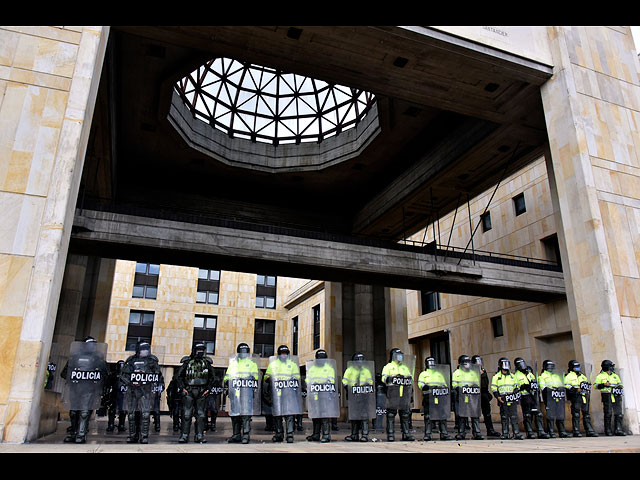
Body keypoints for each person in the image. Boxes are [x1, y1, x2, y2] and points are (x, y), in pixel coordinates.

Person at [61, 337, 108, 443]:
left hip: (89, 390)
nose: (92, 347)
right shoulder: (75, 358)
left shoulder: (98, 359)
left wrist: (97, 383)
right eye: (90, 344)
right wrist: (74, 378)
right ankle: (73, 432)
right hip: (75, 389)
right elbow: (64, 373)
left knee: (84, 412)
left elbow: (104, 375)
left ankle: (81, 434)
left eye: (94, 345)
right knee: (73, 412)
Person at [120, 341, 162, 444]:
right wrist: (130, 382)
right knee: (132, 415)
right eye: (143, 349)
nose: (145, 351)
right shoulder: (131, 361)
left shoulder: (152, 361)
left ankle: (144, 436)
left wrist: (153, 383)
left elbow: (158, 375)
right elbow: (124, 375)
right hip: (133, 390)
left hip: (146, 390)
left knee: (145, 414)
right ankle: (133, 435)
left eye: (146, 349)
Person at [176, 342, 216, 443]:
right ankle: (184, 435)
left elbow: (212, 377)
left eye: (202, 350)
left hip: (202, 391)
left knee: (201, 414)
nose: (200, 352)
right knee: (186, 414)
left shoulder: (206, 362)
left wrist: (208, 388)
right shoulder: (187, 362)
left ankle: (199, 435)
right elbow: (179, 376)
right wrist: (182, 388)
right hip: (189, 390)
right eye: (198, 350)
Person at [264, 345, 302, 443]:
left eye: (285, 353)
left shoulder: (292, 364)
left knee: (289, 414)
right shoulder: (273, 364)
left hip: (288, 393)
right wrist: (268, 379)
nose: (284, 355)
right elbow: (266, 376)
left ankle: (290, 435)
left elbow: (297, 377)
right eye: (282, 353)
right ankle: (279, 434)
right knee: (277, 415)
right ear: (279, 354)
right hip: (277, 393)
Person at [224, 342, 260, 444]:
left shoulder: (252, 364)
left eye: (245, 352)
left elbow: (255, 377)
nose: (243, 354)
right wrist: (227, 380)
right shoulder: (233, 364)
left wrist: (248, 378)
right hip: (235, 392)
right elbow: (227, 376)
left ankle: (246, 435)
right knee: (235, 414)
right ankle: (236, 435)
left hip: (246, 393)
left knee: (245, 415)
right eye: (242, 352)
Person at [381, 348, 415, 442]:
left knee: (405, 414)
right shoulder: (388, 366)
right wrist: (393, 377)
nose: (400, 357)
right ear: (393, 356)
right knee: (391, 414)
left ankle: (406, 434)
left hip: (404, 394)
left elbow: (410, 379)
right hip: (393, 394)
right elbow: (384, 378)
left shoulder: (404, 367)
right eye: (398, 355)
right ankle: (391, 434)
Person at [306, 349, 339, 443]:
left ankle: (326, 435)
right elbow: (308, 380)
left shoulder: (329, 368)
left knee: (324, 415)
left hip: (324, 394)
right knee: (315, 415)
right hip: (315, 394)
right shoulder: (312, 368)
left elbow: (331, 381)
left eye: (323, 359)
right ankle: (316, 434)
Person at [417, 356, 452, 441]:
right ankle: (428, 434)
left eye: (433, 362)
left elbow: (444, 385)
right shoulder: (423, 374)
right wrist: (426, 387)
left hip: (439, 397)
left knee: (442, 416)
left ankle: (444, 433)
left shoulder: (439, 374)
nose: (432, 364)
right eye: (430, 362)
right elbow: (420, 385)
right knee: (428, 416)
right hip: (429, 397)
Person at [342, 352, 375, 442]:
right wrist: (349, 387)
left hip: (364, 396)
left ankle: (365, 435)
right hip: (353, 396)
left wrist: (365, 385)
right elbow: (344, 381)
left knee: (364, 416)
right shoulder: (350, 370)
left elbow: (370, 382)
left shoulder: (366, 371)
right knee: (354, 416)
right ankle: (354, 435)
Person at [513, 358, 548, 439]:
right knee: (527, 415)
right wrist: (524, 386)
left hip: (534, 396)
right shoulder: (516, 375)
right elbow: (516, 387)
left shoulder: (529, 373)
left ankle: (540, 431)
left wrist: (534, 386)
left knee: (538, 414)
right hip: (525, 397)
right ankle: (529, 432)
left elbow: (534, 382)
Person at [490, 357, 524, 440]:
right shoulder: (496, 376)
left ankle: (516, 433)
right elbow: (494, 388)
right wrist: (497, 396)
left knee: (514, 416)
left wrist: (515, 395)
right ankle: (505, 433)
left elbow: (516, 387)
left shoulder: (513, 376)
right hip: (503, 399)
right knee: (504, 417)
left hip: (512, 398)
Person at [452, 354, 483, 440]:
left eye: (468, 362)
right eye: (465, 363)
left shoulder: (473, 373)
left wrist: (474, 386)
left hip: (472, 396)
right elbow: (454, 384)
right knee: (462, 416)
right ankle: (461, 433)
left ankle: (477, 432)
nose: (467, 364)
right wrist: (458, 388)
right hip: (462, 397)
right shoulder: (456, 373)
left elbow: (477, 383)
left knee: (475, 415)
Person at [565, 360, 598, 437]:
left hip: (584, 396)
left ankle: (589, 430)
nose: (577, 368)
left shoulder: (583, 376)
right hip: (575, 396)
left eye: (578, 367)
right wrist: (575, 390)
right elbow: (567, 386)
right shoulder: (568, 376)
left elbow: (586, 385)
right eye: (575, 367)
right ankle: (576, 431)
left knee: (586, 414)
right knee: (576, 414)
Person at [539, 360, 569, 438]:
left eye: (552, 366)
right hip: (549, 398)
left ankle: (562, 431)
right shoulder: (542, 376)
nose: (551, 368)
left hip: (558, 397)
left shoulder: (556, 376)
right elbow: (542, 387)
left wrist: (559, 388)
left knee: (560, 414)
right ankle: (551, 431)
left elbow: (561, 385)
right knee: (551, 415)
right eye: (549, 366)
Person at [594, 360, 625, 436]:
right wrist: (604, 384)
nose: (612, 368)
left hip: (616, 396)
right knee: (608, 413)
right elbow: (595, 386)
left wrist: (618, 387)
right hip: (607, 396)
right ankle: (608, 430)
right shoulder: (600, 376)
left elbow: (620, 385)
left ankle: (618, 429)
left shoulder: (615, 375)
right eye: (611, 366)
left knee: (618, 413)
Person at [472, 355, 499, 437]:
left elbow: (485, 383)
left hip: (484, 393)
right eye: (477, 362)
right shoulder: (471, 372)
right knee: (475, 414)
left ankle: (490, 430)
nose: (479, 364)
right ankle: (476, 431)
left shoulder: (483, 371)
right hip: (475, 394)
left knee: (487, 413)